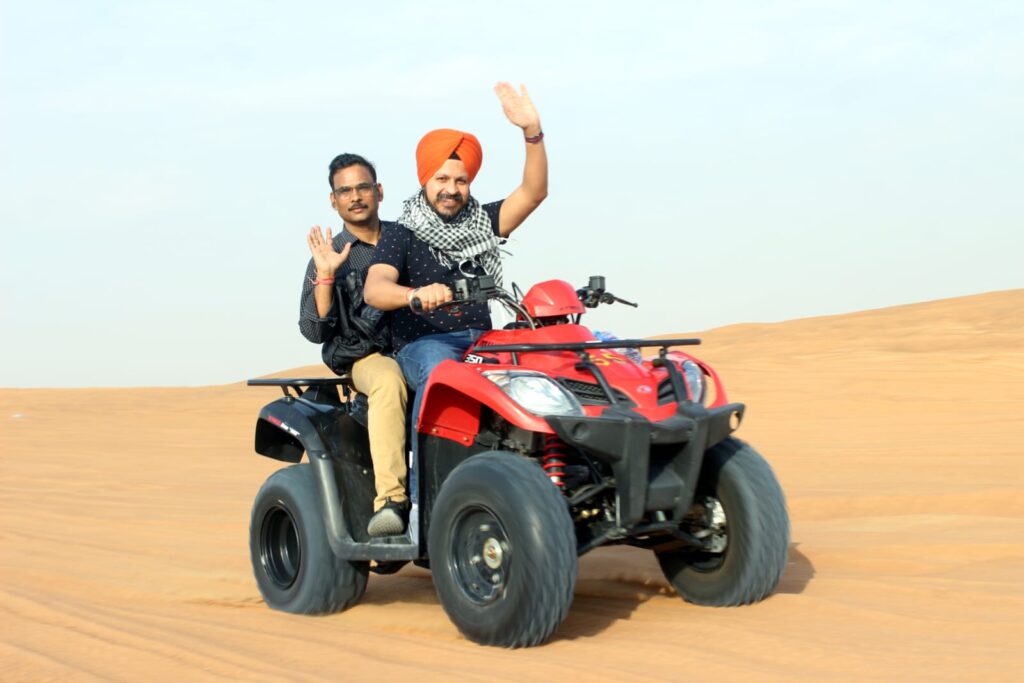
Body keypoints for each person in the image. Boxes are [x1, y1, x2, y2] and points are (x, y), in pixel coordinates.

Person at [363, 82, 548, 471]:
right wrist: (414, 295)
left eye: (460, 181)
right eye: (442, 180)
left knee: (542, 368)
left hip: (484, 340)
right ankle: (426, 501)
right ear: (425, 180)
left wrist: (532, 133)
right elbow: (376, 288)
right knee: (442, 375)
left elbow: (533, 193)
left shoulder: (483, 222)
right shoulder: (401, 232)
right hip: (425, 345)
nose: (451, 189)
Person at [298, 153, 410, 537]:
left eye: (363, 187)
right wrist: (326, 276)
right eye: (344, 191)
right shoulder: (329, 254)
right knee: (387, 379)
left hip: (421, 347)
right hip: (367, 359)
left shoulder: (404, 239)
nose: (355, 196)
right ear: (334, 201)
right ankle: (391, 503)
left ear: (379, 191)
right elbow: (314, 330)